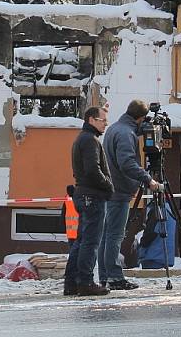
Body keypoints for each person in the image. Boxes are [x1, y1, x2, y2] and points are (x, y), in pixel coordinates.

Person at [98, 99, 161, 290]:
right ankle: (115, 277)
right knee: (115, 236)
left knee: (107, 235)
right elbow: (126, 162)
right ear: (140, 118)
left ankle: (105, 275)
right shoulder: (126, 134)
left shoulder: (117, 129)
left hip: (110, 189)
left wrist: (142, 128)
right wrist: (147, 179)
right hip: (119, 191)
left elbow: (128, 136)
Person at [63, 106, 113, 296]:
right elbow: (93, 169)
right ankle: (85, 282)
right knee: (90, 242)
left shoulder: (82, 139)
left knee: (81, 241)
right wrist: (109, 185)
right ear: (91, 120)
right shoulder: (90, 140)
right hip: (92, 196)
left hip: (83, 195)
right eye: (103, 120)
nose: (105, 124)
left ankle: (72, 283)